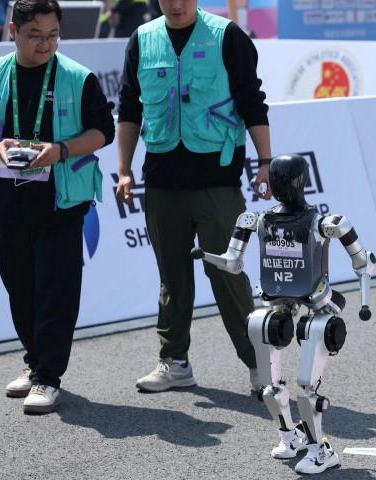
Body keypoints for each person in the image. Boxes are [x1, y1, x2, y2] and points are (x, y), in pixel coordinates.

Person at [0, 0, 114, 413]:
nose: (45, 45)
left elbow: (103, 130)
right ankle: (34, 364)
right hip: (7, 201)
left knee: (56, 291)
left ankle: (49, 377)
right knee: (20, 287)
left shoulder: (78, 78)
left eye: (52, 36)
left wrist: (61, 149)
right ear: (13, 31)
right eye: (35, 36)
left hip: (61, 201)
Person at [115, 0, 272, 394]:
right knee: (172, 278)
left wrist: (265, 162)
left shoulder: (227, 36)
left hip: (217, 181)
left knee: (227, 274)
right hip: (161, 182)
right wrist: (124, 168)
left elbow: (252, 100)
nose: (176, 4)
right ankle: (174, 362)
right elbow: (129, 107)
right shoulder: (142, 39)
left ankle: (260, 365)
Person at [192, 154, 376, 474]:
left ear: (299, 182)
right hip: (278, 299)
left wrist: (364, 282)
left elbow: (363, 262)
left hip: (318, 301)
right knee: (268, 378)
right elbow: (233, 262)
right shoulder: (257, 220)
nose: (280, 186)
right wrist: (210, 257)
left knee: (307, 387)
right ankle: (289, 436)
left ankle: (321, 450)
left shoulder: (324, 223)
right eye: (275, 179)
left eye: (284, 180)